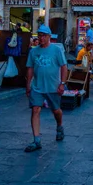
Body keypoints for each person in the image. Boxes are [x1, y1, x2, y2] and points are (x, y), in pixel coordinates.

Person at [24, 25, 68, 153]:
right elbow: (30, 68)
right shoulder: (33, 51)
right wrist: (28, 84)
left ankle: (59, 126)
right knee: (35, 110)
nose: (41, 38)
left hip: (53, 87)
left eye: (44, 35)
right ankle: (36, 140)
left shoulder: (56, 50)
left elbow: (64, 66)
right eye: (39, 35)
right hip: (37, 86)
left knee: (56, 111)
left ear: (49, 37)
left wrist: (62, 83)